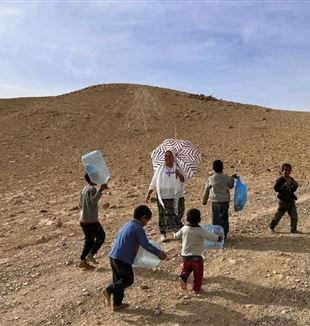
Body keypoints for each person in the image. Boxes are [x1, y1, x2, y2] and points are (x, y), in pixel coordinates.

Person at [103, 205, 167, 312]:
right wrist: (158, 253)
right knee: (128, 280)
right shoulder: (138, 228)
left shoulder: (127, 225)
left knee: (119, 281)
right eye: (147, 220)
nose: (146, 223)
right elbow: (146, 245)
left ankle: (117, 304)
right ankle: (109, 290)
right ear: (143, 217)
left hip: (113, 256)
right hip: (123, 258)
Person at [174, 208, 222, 293]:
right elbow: (210, 236)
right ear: (199, 220)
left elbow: (176, 236)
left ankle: (183, 277)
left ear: (187, 219)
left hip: (185, 256)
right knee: (198, 274)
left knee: (186, 269)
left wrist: (174, 235)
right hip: (196, 257)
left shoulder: (184, 228)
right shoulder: (200, 230)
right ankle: (196, 288)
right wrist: (218, 238)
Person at [145, 150, 186, 242]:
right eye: (166, 156)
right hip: (164, 196)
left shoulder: (178, 167)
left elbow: (183, 180)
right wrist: (148, 194)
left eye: (169, 156)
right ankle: (163, 233)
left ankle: (176, 230)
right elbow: (154, 182)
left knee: (178, 213)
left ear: (173, 157)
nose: (167, 158)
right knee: (163, 215)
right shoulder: (160, 169)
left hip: (177, 195)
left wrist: (179, 174)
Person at [79, 173, 108, 269]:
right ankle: (91, 255)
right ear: (91, 179)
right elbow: (93, 201)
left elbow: (80, 205)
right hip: (91, 220)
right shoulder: (92, 189)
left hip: (83, 220)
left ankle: (83, 260)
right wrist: (101, 190)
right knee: (101, 236)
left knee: (89, 240)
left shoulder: (83, 190)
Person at [202, 160, 237, 239]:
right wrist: (232, 178)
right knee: (224, 217)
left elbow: (206, 190)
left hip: (215, 201)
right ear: (222, 168)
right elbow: (231, 186)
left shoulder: (210, 179)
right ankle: (224, 234)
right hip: (225, 201)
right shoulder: (226, 177)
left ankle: (217, 235)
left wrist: (204, 200)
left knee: (216, 218)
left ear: (213, 168)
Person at [269, 163, 300, 233]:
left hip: (291, 201)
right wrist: (284, 185)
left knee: (294, 216)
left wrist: (295, 185)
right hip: (283, 202)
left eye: (289, 170)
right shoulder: (280, 180)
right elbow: (276, 188)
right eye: (285, 170)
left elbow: (293, 189)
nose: (287, 172)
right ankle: (271, 227)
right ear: (282, 171)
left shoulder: (291, 179)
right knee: (278, 216)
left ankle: (293, 229)